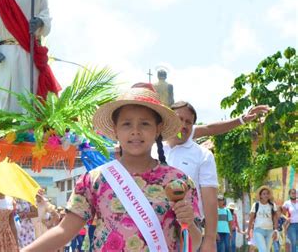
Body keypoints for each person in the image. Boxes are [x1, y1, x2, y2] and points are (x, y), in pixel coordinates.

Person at [21, 84, 202, 251]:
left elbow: (193, 243)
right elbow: (64, 231)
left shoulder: (179, 182)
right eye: (127, 124)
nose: (135, 131)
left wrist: (189, 223)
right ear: (115, 129)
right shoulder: (94, 180)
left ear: (158, 128)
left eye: (145, 124)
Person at [151, 100, 219, 252]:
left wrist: (209, 240)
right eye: (179, 118)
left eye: (189, 122)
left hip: (187, 232)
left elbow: (210, 200)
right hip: (151, 228)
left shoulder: (203, 155)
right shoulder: (150, 149)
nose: (184, 125)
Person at [247, 186, 278, 252]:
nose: (266, 195)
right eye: (264, 194)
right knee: (263, 250)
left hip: (270, 231)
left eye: (267, 193)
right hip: (258, 230)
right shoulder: (256, 205)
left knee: (267, 250)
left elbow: (275, 219)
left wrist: (275, 230)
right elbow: (251, 219)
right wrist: (248, 232)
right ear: (260, 195)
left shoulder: (272, 205)